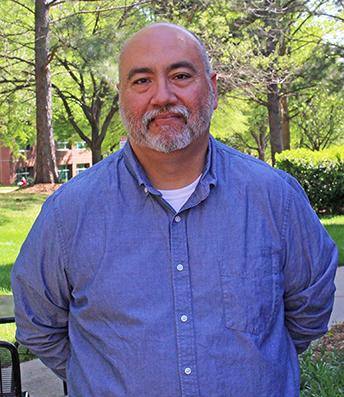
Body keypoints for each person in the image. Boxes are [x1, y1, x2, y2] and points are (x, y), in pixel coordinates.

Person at [11, 23, 337, 397]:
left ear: (213, 87)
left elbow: (308, 313)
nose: (162, 96)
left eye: (181, 75)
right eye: (142, 81)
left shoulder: (275, 199)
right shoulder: (69, 214)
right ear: (121, 96)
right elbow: (39, 323)